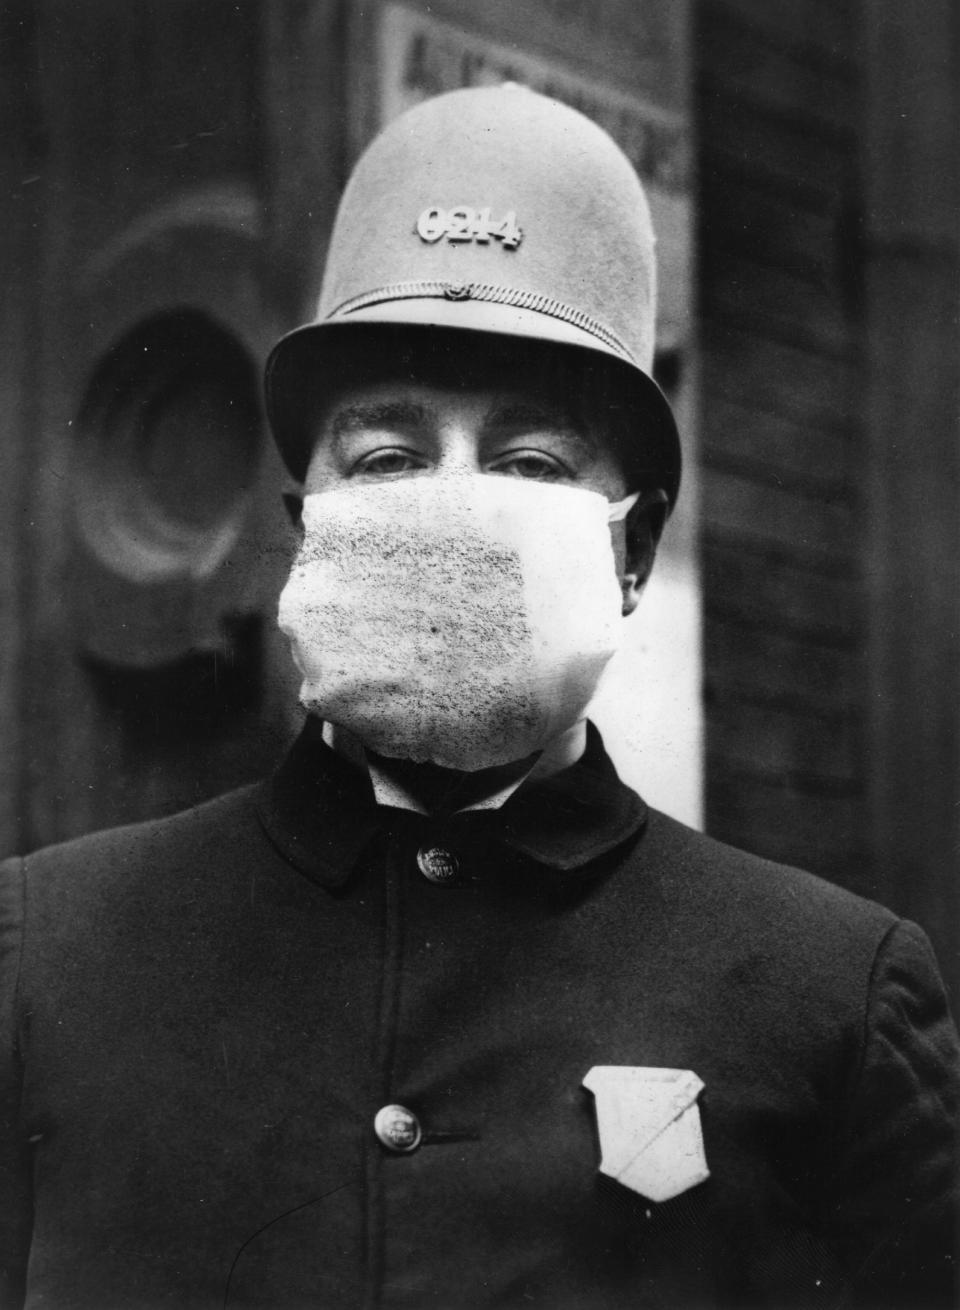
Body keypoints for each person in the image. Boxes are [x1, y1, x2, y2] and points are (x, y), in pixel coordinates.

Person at [0, 85, 956, 1310]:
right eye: (390, 457)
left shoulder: (830, 999)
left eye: (528, 462)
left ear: (633, 546)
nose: (453, 506)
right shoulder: (53, 957)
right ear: (309, 527)